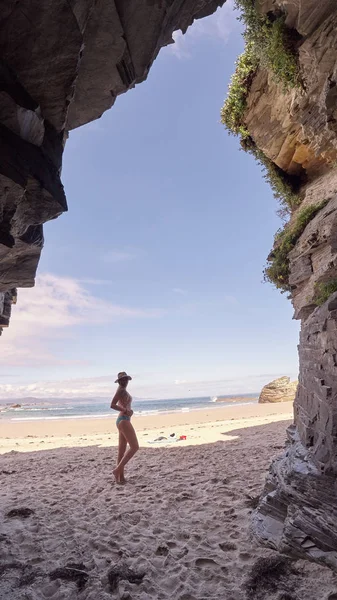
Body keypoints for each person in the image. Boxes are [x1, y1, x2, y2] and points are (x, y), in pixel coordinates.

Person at [110, 371, 139, 484]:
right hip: (123, 421)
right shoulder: (121, 390)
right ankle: (117, 471)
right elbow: (112, 404)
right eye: (122, 380)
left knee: (121, 451)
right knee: (135, 447)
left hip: (122, 420)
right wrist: (125, 410)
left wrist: (128, 411)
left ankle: (120, 478)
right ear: (119, 381)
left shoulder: (123, 390)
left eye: (126, 379)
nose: (124, 381)